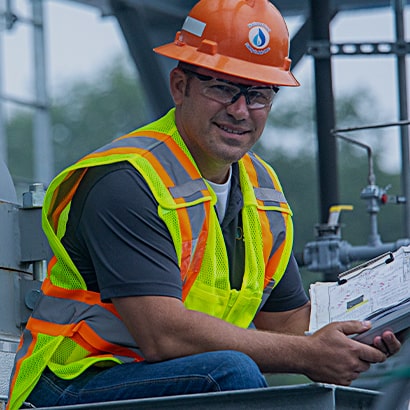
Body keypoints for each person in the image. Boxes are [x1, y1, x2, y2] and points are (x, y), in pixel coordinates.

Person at [7, 0, 401, 409]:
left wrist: (366, 332)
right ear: (180, 86)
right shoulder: (127, 180)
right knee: (230, 374)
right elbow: (163, 335)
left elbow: (287, 323)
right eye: (223, 88)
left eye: (259, 95)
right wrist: (308, 355)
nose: (240, 110)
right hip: (70, 386)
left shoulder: (263, 192)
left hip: (173, 376)